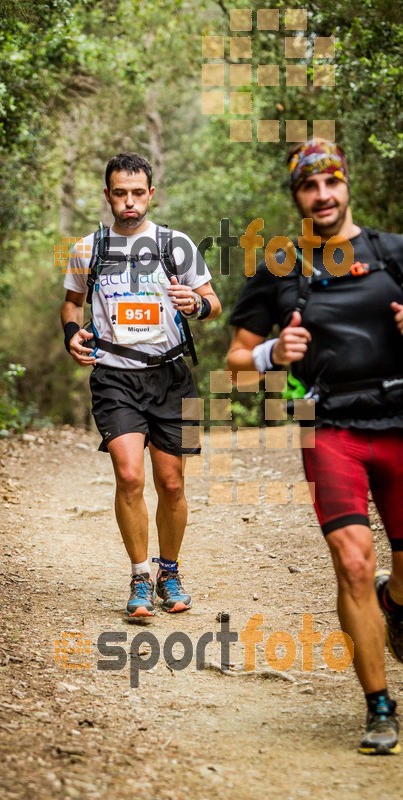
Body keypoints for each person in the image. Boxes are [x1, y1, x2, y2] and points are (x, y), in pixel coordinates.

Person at [227, 139, 403, 755]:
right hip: (330, 429)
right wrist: (272, 354)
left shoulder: (393, 255)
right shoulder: (280, 266)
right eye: (309, 186)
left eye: (331, 183)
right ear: (296, 195)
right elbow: (235, 364)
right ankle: (379, 707)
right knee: (353, 559)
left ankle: (394, 601)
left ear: (347, 184)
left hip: (401, 424)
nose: (322, 196)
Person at [61, 152, 221, 618]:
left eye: (137, 193)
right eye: (119, 193)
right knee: (129, 475)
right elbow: (71, 304)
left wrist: (195, 303)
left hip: (174, 377)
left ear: (150, 194)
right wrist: (72, 335)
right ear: (108, 195)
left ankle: (169, 572)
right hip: (114, 378)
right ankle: (138, 576)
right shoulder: (87, 249)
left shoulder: (178, 245)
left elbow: (214, 304)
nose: (129, 202)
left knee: (172, 484)